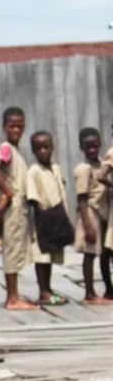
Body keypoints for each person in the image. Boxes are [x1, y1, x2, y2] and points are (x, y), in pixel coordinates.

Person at [0, 107, 36, 310]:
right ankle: (12, 298)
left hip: (19, 206)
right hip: (13, 206)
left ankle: (14, 295)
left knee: (16, 249)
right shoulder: (6, 148)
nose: (17, 130)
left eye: (20, 126)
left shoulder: (15, 150)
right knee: (12, 250)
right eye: (12, 126)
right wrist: (9, 192)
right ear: (5, 127)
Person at [26, 131, 71, 305]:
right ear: (33, 151)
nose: (44, 151)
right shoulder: (34, 171)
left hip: (57, 217)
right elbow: (33, 197)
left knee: (51, 256)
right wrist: (43, 214)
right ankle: (43, 290)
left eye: (47, 147)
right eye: (39, 148)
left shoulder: (56, 168)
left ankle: (49, 289)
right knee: (41, 257)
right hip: (43, 220)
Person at [76, 127, 113, 303]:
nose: (92, 150)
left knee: (105, 253)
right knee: (89, 253)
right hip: (90, 212)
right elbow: (82, 198)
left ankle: (108, 289)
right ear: (81, 148)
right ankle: (89, 293)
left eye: (95, 146)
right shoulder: (84, 169)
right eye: (88, 147)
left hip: (103, 214)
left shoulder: (101, 163)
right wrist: (87, 225)